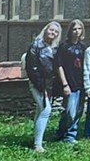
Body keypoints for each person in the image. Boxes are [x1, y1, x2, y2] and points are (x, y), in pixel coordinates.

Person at [23, 21, 62, 152]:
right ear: (45, 30)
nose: (53, 33)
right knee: (46, 110)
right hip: (37, 83)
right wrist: (41, 87)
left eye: (56, 32)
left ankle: (37, 139)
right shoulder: (35, 46)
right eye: (51, 30)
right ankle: (38, 145)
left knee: (40, 110)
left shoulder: (53, 48)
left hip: (49, 84)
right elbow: (31, 68)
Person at [55, 20, 85, 146]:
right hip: (69, 83)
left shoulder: (83, 47)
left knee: (78, 111)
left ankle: (69, 135)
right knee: (69, 111)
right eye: (74, 29)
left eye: (79, 29)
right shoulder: (64, 46)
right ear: (70, 31)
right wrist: (64, 84)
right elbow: (59, 65)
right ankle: (62, 132)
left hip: (81, 83)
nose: (77, 31)